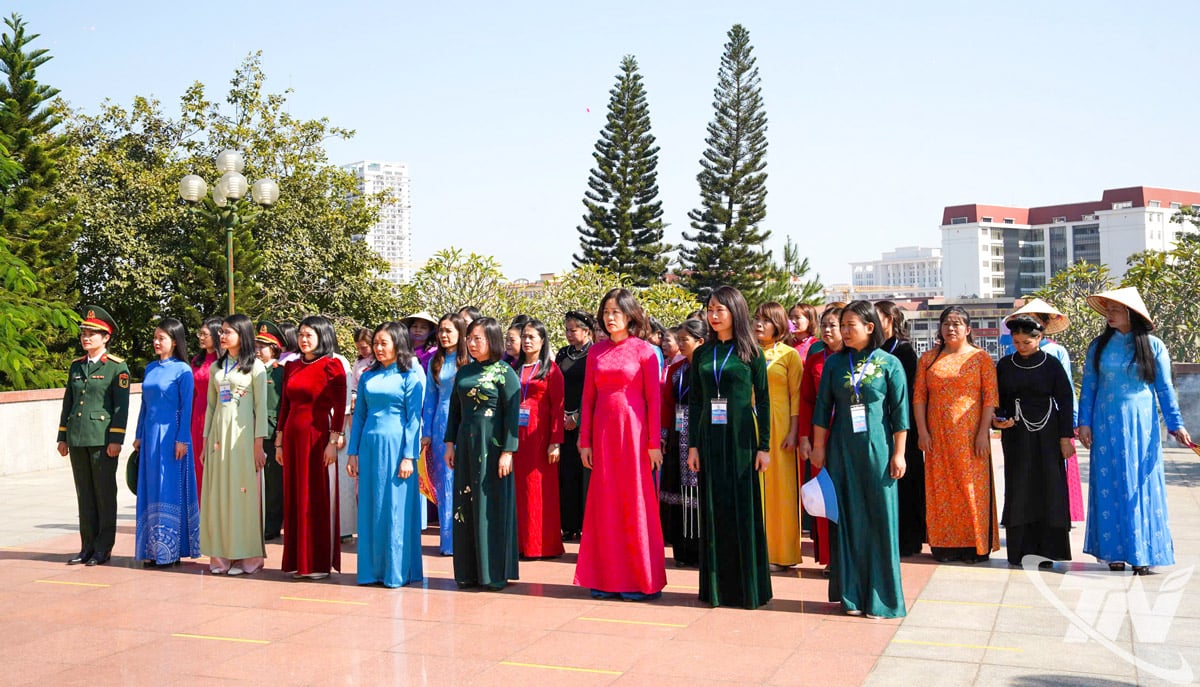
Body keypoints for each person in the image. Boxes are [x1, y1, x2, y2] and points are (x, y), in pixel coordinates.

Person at [1078, 287, 1191, 575]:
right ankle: (1113, 552)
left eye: (1115, 310)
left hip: (1142, 424)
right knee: (1109, 484)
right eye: (1108, 310)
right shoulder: (1098, 347)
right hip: (1105, 423)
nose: (1110, 315)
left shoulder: (1153, 346)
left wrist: (1176, 424)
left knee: (1140, 484)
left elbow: (1164, 388)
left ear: (1132, 314)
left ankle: (1142, 552)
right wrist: (1084, 423)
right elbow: (1089, 386)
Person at [810, 300, 908, 618]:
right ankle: (850, 596)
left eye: (851, 325)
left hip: (879, 452)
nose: (844, 331)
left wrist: (899, 453)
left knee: (880, 521)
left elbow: (900, 414)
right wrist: (819, 448)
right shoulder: (836, 364)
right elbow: (822, 408)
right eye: (843, 325)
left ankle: (882, 600)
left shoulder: (889, 363)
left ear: (870, 327)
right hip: (841, 452)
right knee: (847, 521)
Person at [575, 288, 666, 601]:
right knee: (605, 503)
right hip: (602, 433)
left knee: (635, 501)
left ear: (629, 315)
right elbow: (587, 399)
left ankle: (638, 579)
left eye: (616, 312)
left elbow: (654, 400)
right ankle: (604, 578)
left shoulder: (644, 351)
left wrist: (654, 442)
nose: (610, 317)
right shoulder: (596, 353)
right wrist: (583, 440)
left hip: (635, 434)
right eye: (606, 312)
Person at [687, 286, 772, 609]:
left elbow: (763, 401)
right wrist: (693, 446)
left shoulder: (752, 351)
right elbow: (695, 400)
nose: (713, 314)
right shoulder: (704, 354)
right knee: (714, 508)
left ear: (735, 311)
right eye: (710, 309)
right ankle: (716, 588)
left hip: (741, 440)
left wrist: (763, 446)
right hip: (710, 438)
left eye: (720, 309)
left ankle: (748, 588)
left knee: (743, 509)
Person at [914, 306, 1000, 564]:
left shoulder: (980, 358)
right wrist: (922, 431)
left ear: (968, 329)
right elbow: (919, 398)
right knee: (940, 490)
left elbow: (990, 398)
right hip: (937, 437)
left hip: (970, 436)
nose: (951, 328)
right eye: (946, 324)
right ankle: (944, 544)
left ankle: (976, 545)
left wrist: (983, 432)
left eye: (957, 324)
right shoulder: (928, 359)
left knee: (971, 488)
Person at [347, 321, 427, 587]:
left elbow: (413, 421)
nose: (378, 348)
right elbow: (359, 417)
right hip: (369, 447)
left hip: (397, 449)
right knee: (371, 507)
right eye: (376, 343)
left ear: (398, 344)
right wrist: (352, 452)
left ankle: (397, 571)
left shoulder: (410, 377)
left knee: (395, 508)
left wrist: (408, 456)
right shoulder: (367, 376)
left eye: (384, 343)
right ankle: (371, 570)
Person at [992, 315, 1074, 568]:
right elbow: (997, 400)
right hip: (1016, 434)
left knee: (1048, 487)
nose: (1021, 346)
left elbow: (1066, 399)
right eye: (1016, 342)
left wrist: (1065, 437)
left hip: (1048, 434)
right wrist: (998, 420)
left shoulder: (1051, 365)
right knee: (1019, 486)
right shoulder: (1005, 365)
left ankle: (1047, 551)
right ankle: (1019, 551)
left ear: (1039, 338)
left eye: (1027, 341)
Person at [445, 317, 520, 590]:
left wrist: (508, 451)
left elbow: (512, 416)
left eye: (478, 338)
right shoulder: (463, 372)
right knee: (465, 505)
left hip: (493, 448)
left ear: (492, 340)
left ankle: (493, 573)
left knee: (491, 506)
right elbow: (455, 411)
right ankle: (468, 572)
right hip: (466, 447)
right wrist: (450, 444)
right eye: (470, 338)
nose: (472, 343)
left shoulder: (505, 373)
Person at [56, 306, 130, 566]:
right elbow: (69, 403)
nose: (86, 338)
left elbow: (121, 408)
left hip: (102, 440)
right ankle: (86, 546)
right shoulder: (76, 366)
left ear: (106, 337)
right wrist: (62, 436)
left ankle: (103, 547)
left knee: (104, 494)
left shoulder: (117, 367)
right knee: (84, 494)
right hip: (77, 438)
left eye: (93, 333)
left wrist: (116, 440)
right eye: (84, 333)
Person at [277, 315, 348, 580]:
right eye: (301, 334)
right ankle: (297, 560)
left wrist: (333, 441)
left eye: (309, 335)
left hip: (317, 435)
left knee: (314, 497)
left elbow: (340, 408)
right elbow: (285, 405)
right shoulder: (291, 367)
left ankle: (317, 562)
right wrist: (279, 440)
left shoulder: (332, 365)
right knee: (294, 497)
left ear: (323, 336)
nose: (303, 339)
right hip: (292, 438)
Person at [1005, 299, 1085, 523]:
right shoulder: (1011, 357)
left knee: (1051, 477)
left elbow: (1066, 390)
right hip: (1022, 422)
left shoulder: (1056, 354)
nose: (1021, 344)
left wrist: (1069, 428)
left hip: (1051, 421)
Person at [200, 314, 268, 575]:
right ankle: (221, 557)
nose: (223, 336)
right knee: (219, 495)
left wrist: (258, 445)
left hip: (243, 438)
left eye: (228, 332)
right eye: (222, 332)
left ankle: (245, 558)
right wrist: (206, 441)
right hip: (218, 439)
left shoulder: (256, 368)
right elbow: (210, 406)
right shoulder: (218, 367)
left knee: (242, 497)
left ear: (243, 334)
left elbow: (261, 409)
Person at [133, 317, 200, 567]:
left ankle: (171, 551)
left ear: (174, 341)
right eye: (155, 337)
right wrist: (139, 435)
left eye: (161, 338)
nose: (156, 342)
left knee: (168, 487)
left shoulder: (183, 371)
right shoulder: (150, 368)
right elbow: (144, 405)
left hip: (172, 436)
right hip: (150, 436)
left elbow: (187, 407)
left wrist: (183, 438)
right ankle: (151, 548)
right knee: (150, 488)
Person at [753, 301, 803, 570]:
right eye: (757, 319)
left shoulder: (789, 355)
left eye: (766, 320)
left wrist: (794, 432)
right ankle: (758, 549)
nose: (759, 324)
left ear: (779, 325)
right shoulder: (747, 353)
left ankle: (781, 553)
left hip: (781, 426)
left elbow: (797, 396)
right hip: (753, 425)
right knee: (757, 490)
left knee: (780, 491)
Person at [875, 300, 926, 556]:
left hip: (904, 423)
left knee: (907, 479)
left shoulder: (904, 351)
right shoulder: (871, 349)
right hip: (879, 423)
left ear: (891, 320)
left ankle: (909, 538)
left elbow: (908, 392)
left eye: (878, 316)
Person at [513, 319, 565, 558]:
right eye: (524, 336)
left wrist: (555, 441)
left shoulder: (552, 370)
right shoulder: (514, 368)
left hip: (540, 435)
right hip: (518, 435)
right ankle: (521, 542)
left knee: (539, 489)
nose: (526, 341)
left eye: (532, 337)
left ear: (542, 341)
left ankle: (542, 544)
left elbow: (558, 408)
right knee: (520, 489)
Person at [797, 306, 844, 571]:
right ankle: (829, 558)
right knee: (825, 496)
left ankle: (847, 556)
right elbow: (806, 401)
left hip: (848, 437)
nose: (827, 330)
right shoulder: (815, 360)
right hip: (819, 439)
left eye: (833, 325)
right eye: (824, 325)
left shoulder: (853, 360)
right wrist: (805, 437)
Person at [660, 319, 708, 567]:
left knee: (698, 490)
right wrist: (664, 435)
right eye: (677, 339)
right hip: (679, 434)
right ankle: (682, 548)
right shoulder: (677, 369)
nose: (679, 344)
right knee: (679, 489)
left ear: (700, 341)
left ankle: (700, 549)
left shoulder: (709, 368)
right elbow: (668, 402)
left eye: (684, 340)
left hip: (701, 434)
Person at [422, 313, 468, 555]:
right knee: (445, 483)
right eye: (441, 330)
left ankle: (467, 539)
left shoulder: (469, 360)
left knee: (466, 482)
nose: (444, 335)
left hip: (466, 424)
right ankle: (448, 542)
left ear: (461, 333)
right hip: (441, 425)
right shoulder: (435, 362)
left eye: (449, 330)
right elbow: (430, 398)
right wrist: (427, 432)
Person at [556, 310, 593, 542]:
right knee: (566, 473)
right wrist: (562, 415)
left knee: (584, 473)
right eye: (567, 330)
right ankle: (568, 524)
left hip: (584, 420)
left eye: (574, 330)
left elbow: (591, 389)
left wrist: (577, 416)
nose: (570, 334)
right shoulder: (562, 354)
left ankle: (585, 523)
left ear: (587, 331)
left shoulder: (594, 354)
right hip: (563, 420)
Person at [255, 321, 286, 541]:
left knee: (273, 482)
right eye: (256, 346)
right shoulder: (251, 370)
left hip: (272, 431)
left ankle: (272, 525)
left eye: (262, 346)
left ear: (274, 349)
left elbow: (284, 403)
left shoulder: (280, 372)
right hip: (253, 430)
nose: (257, 350)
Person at [190, 317, 222, 501]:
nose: (201, 338)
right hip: (197, 415)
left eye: (205, 334)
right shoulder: (196, 360)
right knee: (199, 466)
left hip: (217, 414)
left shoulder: (224, 361)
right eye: (199, 334)